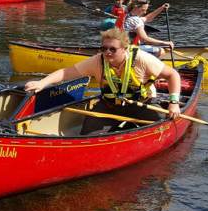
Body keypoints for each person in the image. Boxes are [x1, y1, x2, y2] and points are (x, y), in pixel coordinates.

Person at [24, 28, 182, 134]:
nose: (107, 52)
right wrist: (43, 82)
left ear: (125, 49)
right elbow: (67, 72)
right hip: (110, 105)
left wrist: (173, 102)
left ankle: (130, 127)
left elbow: (173, 75)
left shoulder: (142, 58)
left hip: (142, 103)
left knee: (161, 128)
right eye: (104, 48)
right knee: (87, 134)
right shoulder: (97, 61)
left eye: (112, 49)